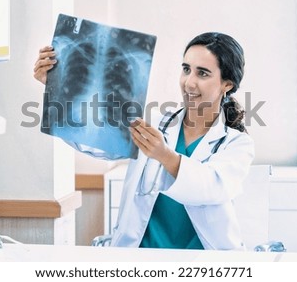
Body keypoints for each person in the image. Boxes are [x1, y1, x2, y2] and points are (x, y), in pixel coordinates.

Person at [34, 32, 254, 250]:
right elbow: (97, 141)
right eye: (186, 69)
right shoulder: (154, 125)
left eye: (203, 74)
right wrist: (56, 87)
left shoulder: (236, 144)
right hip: (142, 261)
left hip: (203, 266)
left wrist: (164, 155)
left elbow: (212, 187)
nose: (189, 83)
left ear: (227, 84)